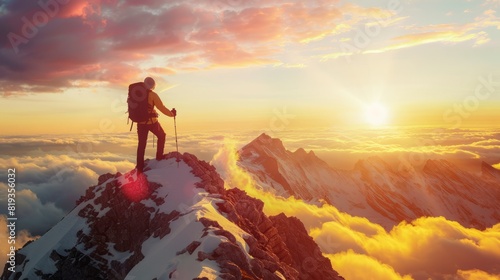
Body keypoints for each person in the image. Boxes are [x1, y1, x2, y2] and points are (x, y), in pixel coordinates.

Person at [136, 77, 176, 173]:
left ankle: (140, 168)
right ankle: (159, 156)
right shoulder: (153, 95)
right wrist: (172, 114)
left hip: (140, 123)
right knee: (162, 135)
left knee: (141, 144)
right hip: (152, 122)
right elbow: (161, 107)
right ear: (153, 86)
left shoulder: (137, 94)